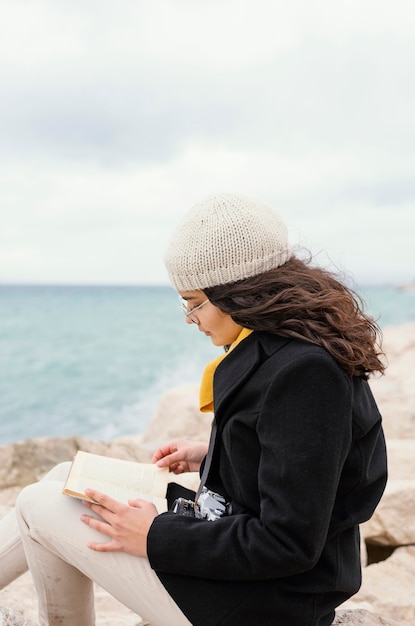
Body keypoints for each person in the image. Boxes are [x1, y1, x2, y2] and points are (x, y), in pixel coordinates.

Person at [0, 193, 387, 626]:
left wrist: (153, 535)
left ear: (240, 292)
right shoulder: (291, 347)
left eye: (194, 301)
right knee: (64, 480)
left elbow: (288, 542)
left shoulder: (305, 372)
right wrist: (216, 451)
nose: (189, 317)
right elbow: (309, 457)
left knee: (38, 502)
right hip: (241, 559)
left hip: (263, 603)